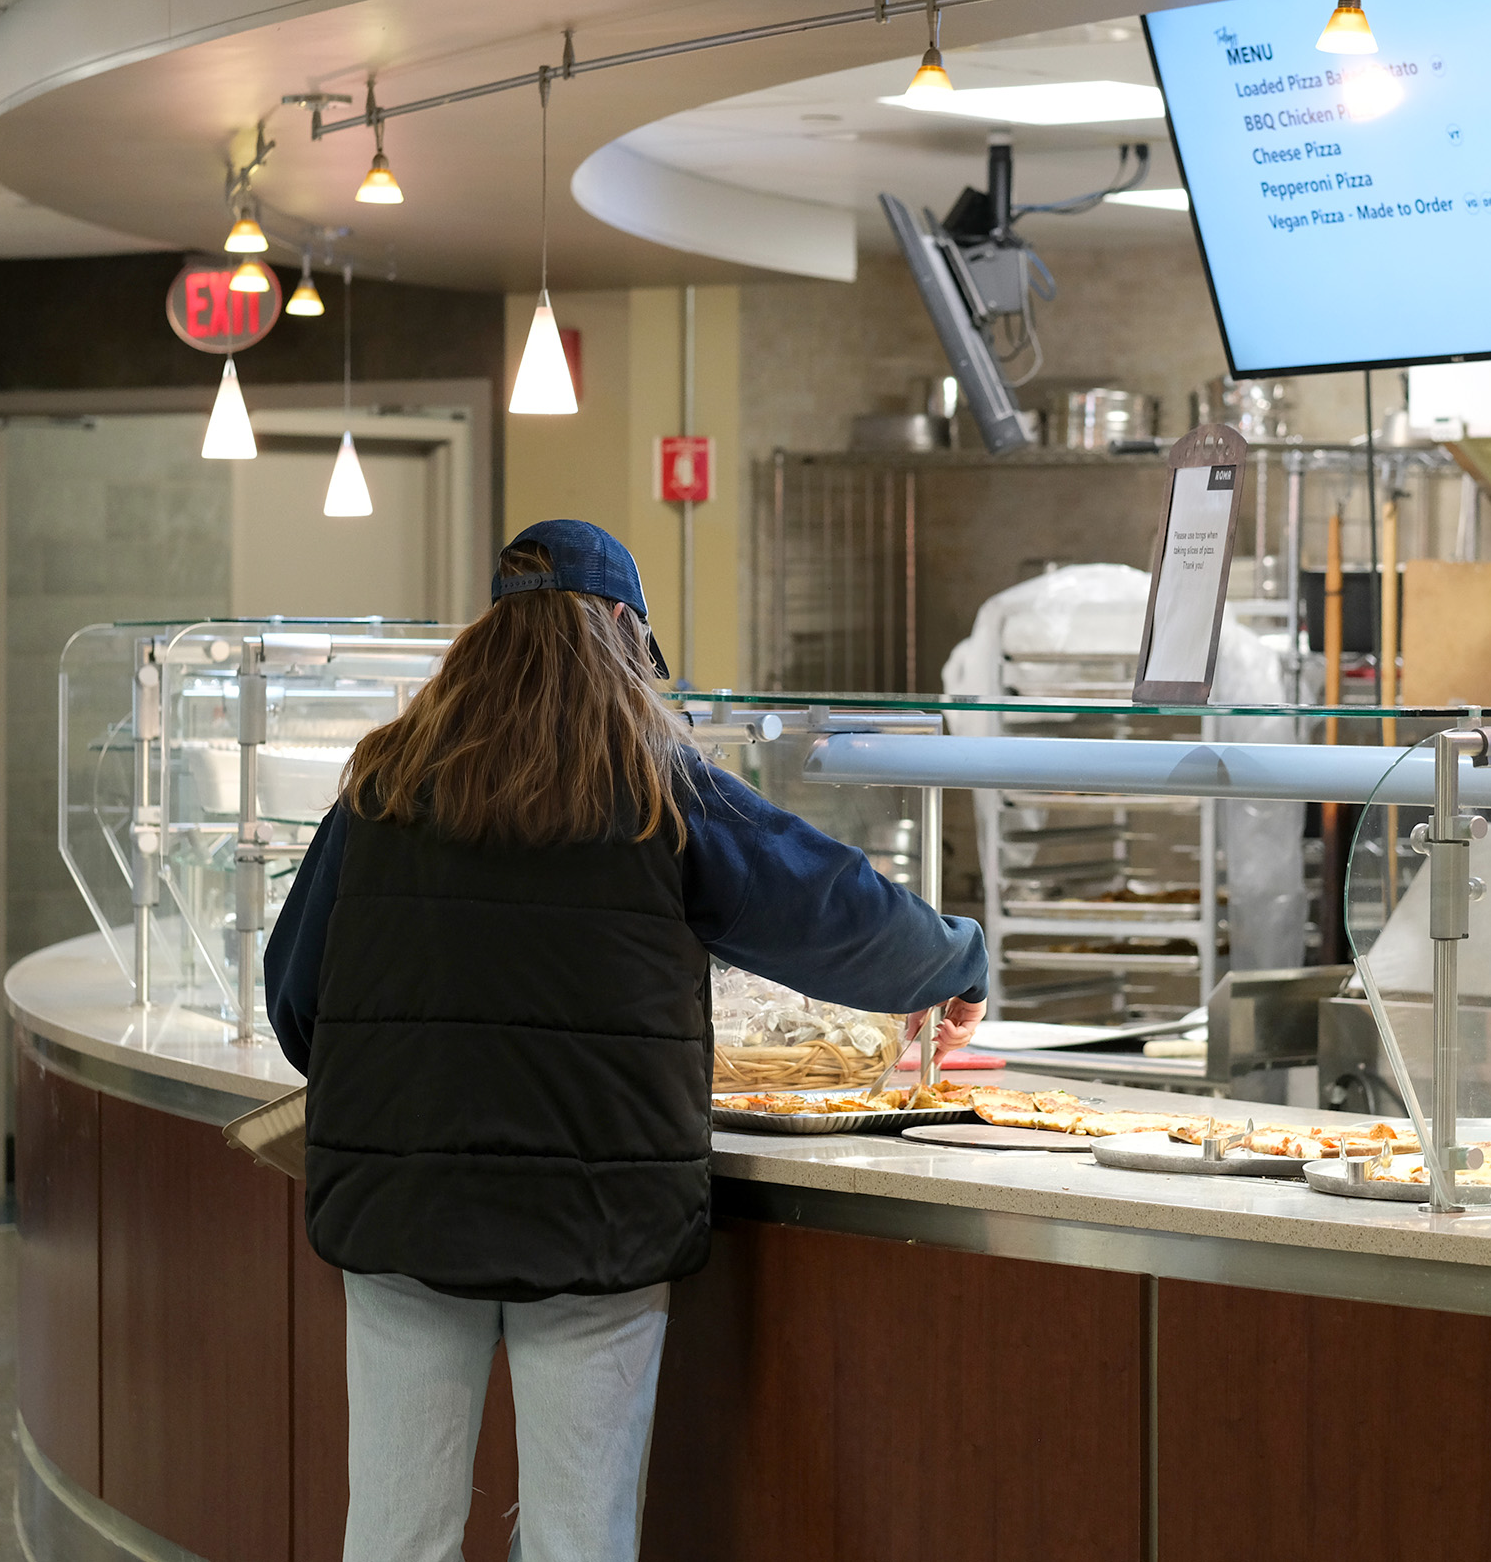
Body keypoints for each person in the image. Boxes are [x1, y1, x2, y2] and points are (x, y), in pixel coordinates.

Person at [266, 519, 985, 1562]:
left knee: (394, 1528)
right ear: (619, 627)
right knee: (577, 1535)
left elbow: (297, 1004)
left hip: (401, 1205)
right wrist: (955, 958)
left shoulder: (380, 786)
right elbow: (835, 912)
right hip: (596, 1220)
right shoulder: (660, 784)